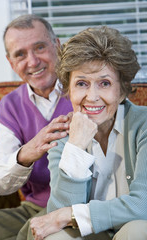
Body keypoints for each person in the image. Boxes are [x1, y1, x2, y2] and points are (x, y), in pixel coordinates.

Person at [29, 26, 147, 240]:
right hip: (89, 235)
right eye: (82, 83)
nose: (92, 97)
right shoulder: (62, 135)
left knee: (140, 229)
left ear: (122, 91)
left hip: (131, 230)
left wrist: (71, 214)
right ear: (68, 90)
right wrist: (76, 146)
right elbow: (57, 215)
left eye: (105, 83)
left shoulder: (144, 125)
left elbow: (143, 205)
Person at [0, 14, 72, 239]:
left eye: (40, 47)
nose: (33, 62)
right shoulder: (9, 106)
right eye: (20, 54)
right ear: (11, 62)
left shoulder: (86, 88)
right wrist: (27, 152)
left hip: (78, 208)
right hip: (33, 209)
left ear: (57, 46)